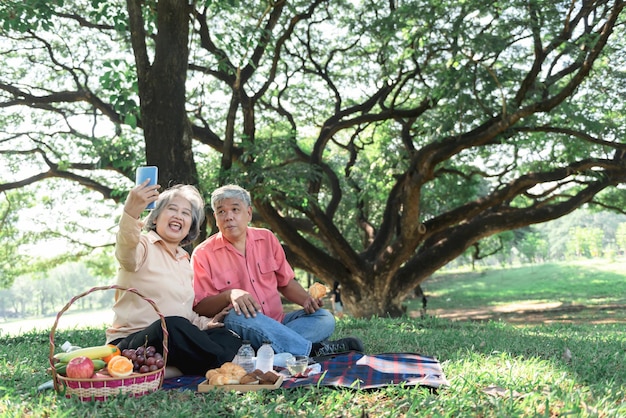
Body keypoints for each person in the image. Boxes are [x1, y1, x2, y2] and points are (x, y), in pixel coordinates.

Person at [191, 184, 364, 358]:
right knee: (236, 316)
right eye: (221, 212)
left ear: (249, 213)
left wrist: (306, 300)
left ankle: (267, 350)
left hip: (279, 322)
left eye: (235, 209)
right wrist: (229, 295)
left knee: (324, 318)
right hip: (242, 328)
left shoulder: (267, 238)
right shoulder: (203, 254)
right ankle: (312, 350)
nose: (228, 217)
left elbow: (286, 283)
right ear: (215, 217)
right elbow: (200, 306)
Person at [105, 180, 242, 376]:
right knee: (171, 325)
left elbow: (184, 312)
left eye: (186, 213)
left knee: (226, 335)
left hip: (169, 343)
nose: (178, 216)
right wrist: (131, 213)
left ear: (190, 226)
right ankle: (228, 366)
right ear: (156, 218)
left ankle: (176, 369)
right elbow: (125, 252)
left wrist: (206, 324)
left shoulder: (184, 261)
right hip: (132, 344)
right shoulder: (142, 244)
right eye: (172, 209)